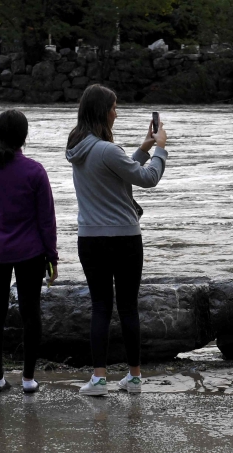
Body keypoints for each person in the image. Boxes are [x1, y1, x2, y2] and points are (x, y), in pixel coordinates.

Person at [65, 84, 168, 396]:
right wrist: (161, 149)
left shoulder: (78, 148)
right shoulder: (107, 150)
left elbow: (118, 170)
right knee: (127, 307)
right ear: (102, 112)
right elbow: (147, 178)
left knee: (100, 306)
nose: (116, 112)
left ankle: (98, 379)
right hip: (124, 238)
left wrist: (143, 148)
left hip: (90, 239)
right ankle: (134, 377)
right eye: (113, 107)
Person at [0, 110, 58, 394]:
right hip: (31, 252)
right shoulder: (36, 171)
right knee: (30, 312)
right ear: (24, 138)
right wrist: (52, 257)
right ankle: (28, 379)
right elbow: (47, 219)